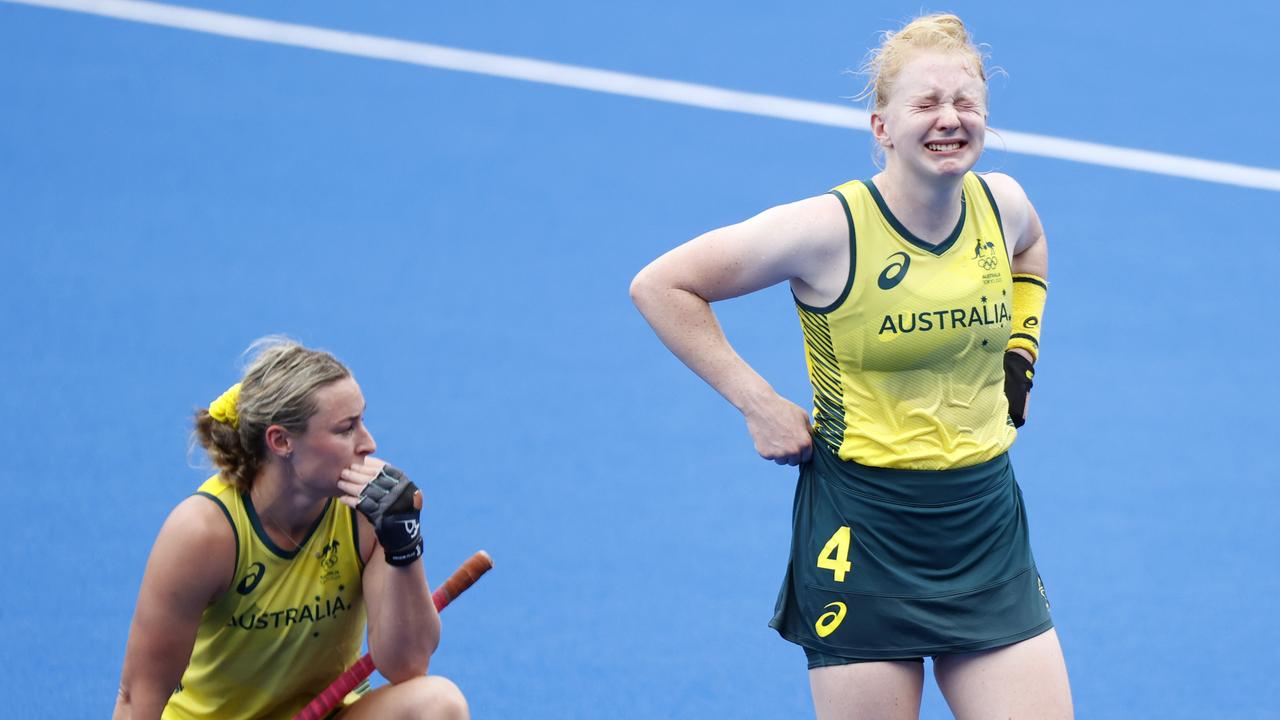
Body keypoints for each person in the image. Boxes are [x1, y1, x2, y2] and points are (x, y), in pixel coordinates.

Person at [630, 13, 1072, 719]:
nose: (949, 120)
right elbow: (662, 285)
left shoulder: (1004, 205)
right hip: (863, 529)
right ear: (882, 127)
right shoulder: (827, 230)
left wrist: (1023, 347)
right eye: (926, 105)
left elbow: (1032, 250)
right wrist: (756, 401)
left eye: (965, 103)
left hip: (983, 522)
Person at [112, 338, 469, 719]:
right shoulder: (205, 533)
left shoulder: (367, 513)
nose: (368, 443)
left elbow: (407, 664)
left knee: (438, 705)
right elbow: (139, 695)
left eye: (362, 421)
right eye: (346, 429)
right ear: (281, 441)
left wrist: (403, 548)